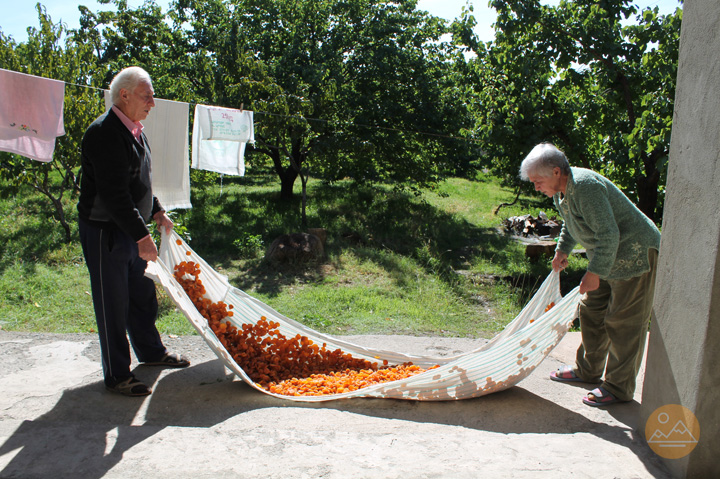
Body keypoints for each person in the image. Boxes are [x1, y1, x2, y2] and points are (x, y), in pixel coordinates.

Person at [520, 143, 660, 406]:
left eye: (538, 181)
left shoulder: (585, 186)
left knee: (623, 321)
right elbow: (573, 224)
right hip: (608, 254)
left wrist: (594, 273)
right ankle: (588, 370)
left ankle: (618, 387)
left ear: (556, 171)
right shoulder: (561, 192)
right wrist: (562, 250)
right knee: (591, 310)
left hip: (635, 253)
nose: (536, 187)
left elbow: (609, 234)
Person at [78, 66, 189, 397]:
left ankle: (151, 353)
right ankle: (116, 374)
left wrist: (156, 211)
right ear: (123, 95)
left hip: (131, 228)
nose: (153, 102)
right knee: (113, 302)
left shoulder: (135, 130)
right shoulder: (104, 133)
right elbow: (114, 195)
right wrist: (143, 237)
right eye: (147, 95)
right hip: (106, 233)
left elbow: (138, 181)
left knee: (141, 295)